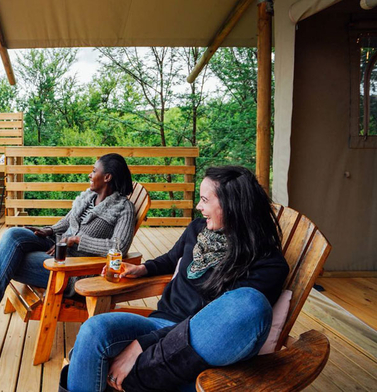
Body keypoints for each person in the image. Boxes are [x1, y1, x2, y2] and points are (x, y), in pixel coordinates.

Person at [62, 166, 289, 392]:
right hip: (160, 324)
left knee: (250, 304)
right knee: (94, 330)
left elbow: (213, 326)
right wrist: (142, 269)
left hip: (201, 351)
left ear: (233, 204)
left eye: (204, 199)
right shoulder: (198, 229)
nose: (199, 206)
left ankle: (127, 378)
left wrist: (140, 346)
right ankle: (122, 374)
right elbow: (172, 258)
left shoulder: (268, 264)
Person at [0, 153, 136, 361]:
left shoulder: (124, 208)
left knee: (7, 259)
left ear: (108, 177)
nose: (89, 174)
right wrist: (49, 231)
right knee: (13, 235)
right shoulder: (89, 197)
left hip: (75, 268)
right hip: (58, 248)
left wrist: (77, 240)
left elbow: (118, 247)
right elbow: (67, 222)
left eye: (94, 171)